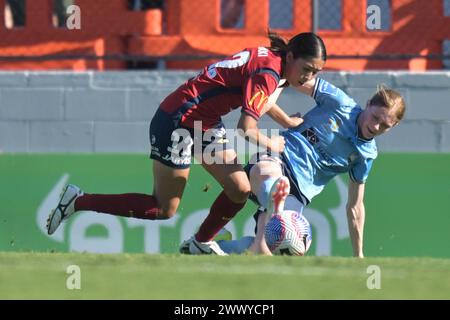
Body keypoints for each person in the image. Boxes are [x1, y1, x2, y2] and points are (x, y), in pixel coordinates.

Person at [46, 31, 327, 256]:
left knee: (239, 188)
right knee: (163, 209)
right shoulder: (269, 72)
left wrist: (287, 122)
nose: (308, 78)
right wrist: (273, 143)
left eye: (315, 72)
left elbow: (257, 99)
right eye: (307, 69)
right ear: (291, 56)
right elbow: (246, 128)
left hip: (203, 122)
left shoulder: (273, 63)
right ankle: (79, 201)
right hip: (178, 120)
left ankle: (200, 242)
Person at [238, 78, 406, 257]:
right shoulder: (340, 103)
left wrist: (359, 255)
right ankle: (275, 203)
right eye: (375, 117)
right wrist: (284, 118)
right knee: (265, 171)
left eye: (385, 125)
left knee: (265, 249)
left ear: (394, 126)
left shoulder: (366, 155)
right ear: (368, 104)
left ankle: (217, 249)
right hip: (282, 156)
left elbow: (355, 206)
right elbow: (293, 77)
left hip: (299, 192)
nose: (375, 126)